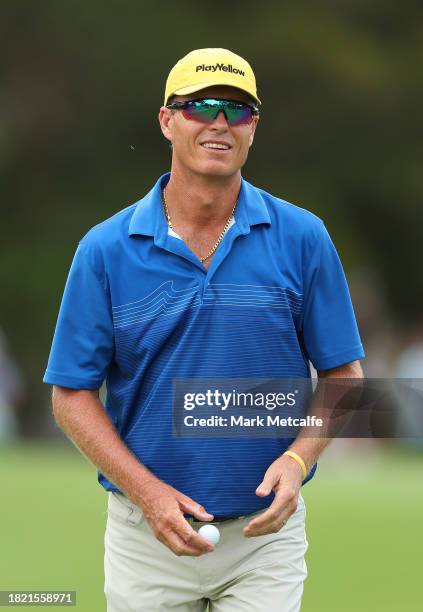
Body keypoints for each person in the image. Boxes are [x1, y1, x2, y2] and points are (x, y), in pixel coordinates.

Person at [44, 48, 364, 611]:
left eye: (237, 111)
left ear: (253, 128)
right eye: (201, 106)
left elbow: (344, 373)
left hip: (265, 540)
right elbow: (71, 394)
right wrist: (147, 494)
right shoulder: (105, 249)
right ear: (167, 120)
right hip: (147, 539)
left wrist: (298, 460)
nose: (219, 121)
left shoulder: (303, 237)